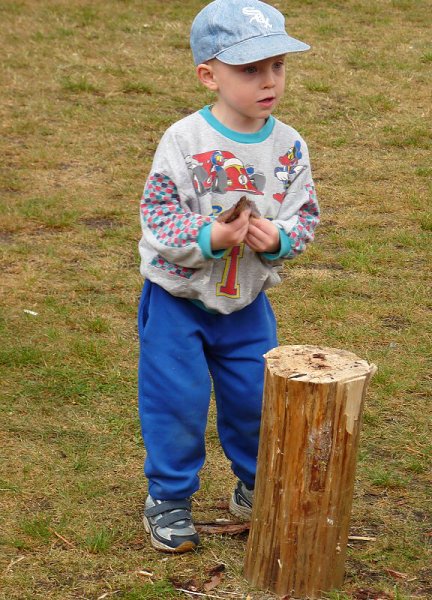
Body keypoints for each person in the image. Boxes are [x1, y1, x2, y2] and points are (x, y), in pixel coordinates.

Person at [137, 0, 320, 553]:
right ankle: (169, 497)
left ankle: (253, 485)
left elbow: (304, 213)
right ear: (208, 74)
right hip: (177, 300)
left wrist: (281, 239)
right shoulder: (184, 141)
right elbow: (158, 215)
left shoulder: (287, 146)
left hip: (247, 306)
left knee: (255, 400)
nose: (269, 81)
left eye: (277, 67)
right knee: (178, 402)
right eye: (250, 69)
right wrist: (209, 237)